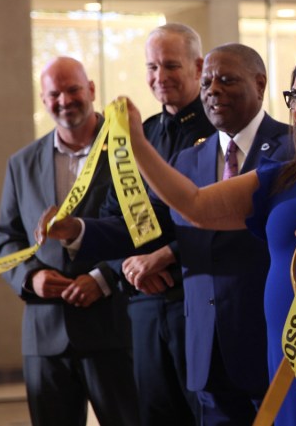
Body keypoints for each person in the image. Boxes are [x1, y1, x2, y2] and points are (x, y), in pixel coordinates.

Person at [118, 48, 296, 426]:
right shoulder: (278, 177)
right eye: (294, 97)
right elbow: (194, 206)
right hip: (291, 354)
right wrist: (137, 144)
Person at [44, 43, 293, 425]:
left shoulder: (294, 150)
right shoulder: (188, 159)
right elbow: (147, 225)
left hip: (269, 342)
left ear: (260, 84)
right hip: (206, 347)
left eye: (227, 80)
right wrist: (76, 229)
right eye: (207, 81)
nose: (213, 90)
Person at [45, 23, 213, 426]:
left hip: (197, 301)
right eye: (151, 67)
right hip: (141, 306)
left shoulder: (219, 130)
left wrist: (163, 258)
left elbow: (212, 217)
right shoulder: (141, 133)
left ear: (197, 66)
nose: (159, 76)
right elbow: (114, 213)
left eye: (170, 65)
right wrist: (90, 239)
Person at [0, 57, 139, 426]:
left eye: (73, 89)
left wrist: (104, 277)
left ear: (91, 89)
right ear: (43, 100)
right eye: (54, 93)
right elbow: (7, 240)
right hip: (45, 337)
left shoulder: (129, 152)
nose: (65, 100)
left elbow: (143, 229)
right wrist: (30, 278)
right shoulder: (21, 163)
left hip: (115, 328)